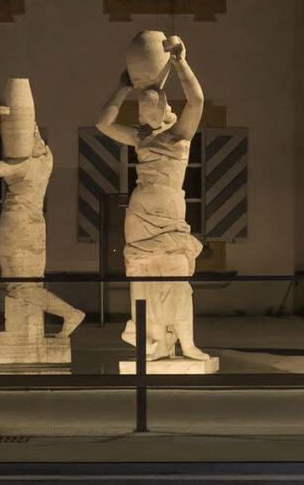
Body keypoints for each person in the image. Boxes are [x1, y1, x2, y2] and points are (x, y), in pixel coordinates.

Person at [95, 32, 210, 362]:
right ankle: (156, 341)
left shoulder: (180, 136)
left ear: (166, 108)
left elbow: (198, 101)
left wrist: (180, 63)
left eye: (152, 104)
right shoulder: (139, 138)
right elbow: (103, 123)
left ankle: (187, 343)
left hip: (170, 213)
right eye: (141, 106)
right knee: (143, 283)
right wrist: (123, 87)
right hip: (140, 216)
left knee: (177, 280)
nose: (146, 110)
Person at [0, 100, 85, 342]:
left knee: (20, 286)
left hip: (17, 223)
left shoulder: (24, 164)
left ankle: (70, 314)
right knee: (26, 284)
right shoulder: (46, 158)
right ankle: (30, 332)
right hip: (35, 225)